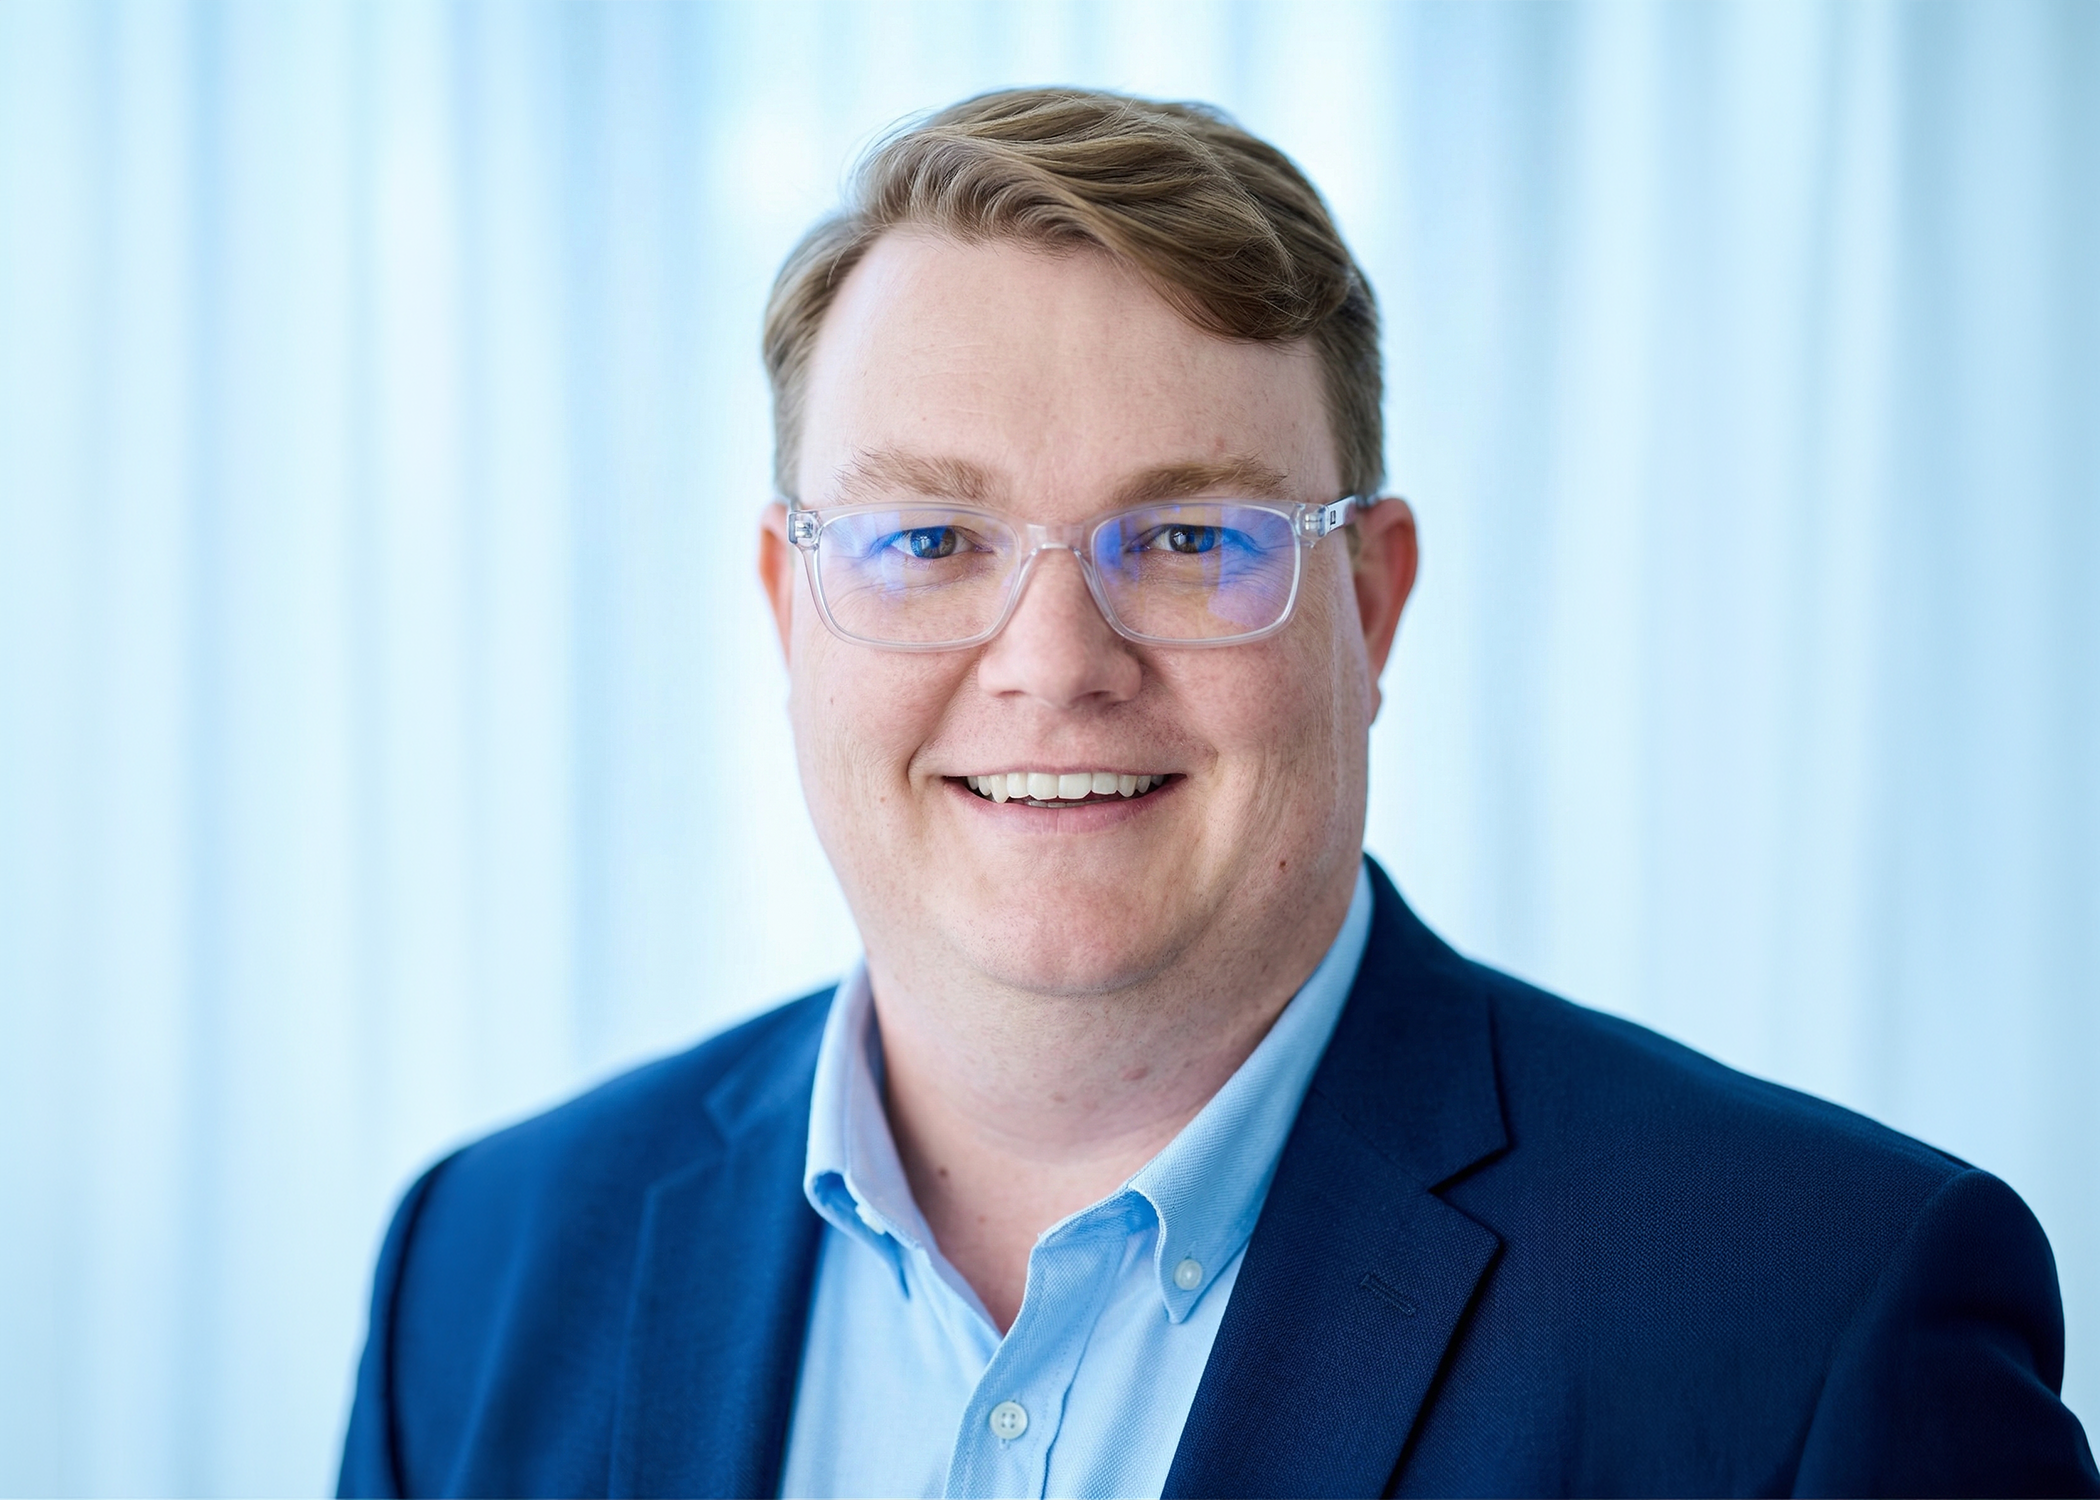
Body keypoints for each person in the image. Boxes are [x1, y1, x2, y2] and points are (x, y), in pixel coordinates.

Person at [338, 87, 2097, 1498]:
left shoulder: (1815, 1318)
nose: (1052, 660)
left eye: (1189, 537)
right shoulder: (482, 1273)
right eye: (930, 538)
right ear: (793, 607)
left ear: (1374, 602)